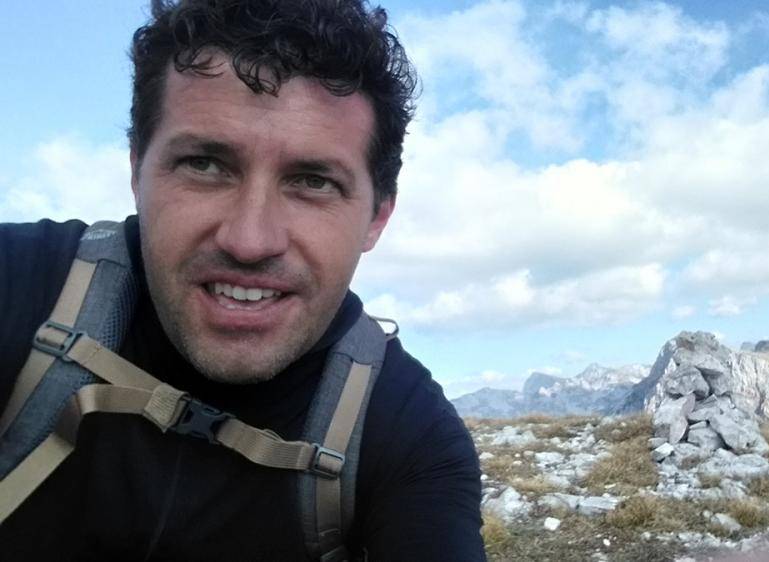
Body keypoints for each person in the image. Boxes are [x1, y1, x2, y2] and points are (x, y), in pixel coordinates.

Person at [0, 1, 486, 560]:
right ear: (137, 171)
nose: (250, 240)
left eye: (313, 181)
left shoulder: (408, 434)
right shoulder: (21, 280)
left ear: (377, 217)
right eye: (205, 164)